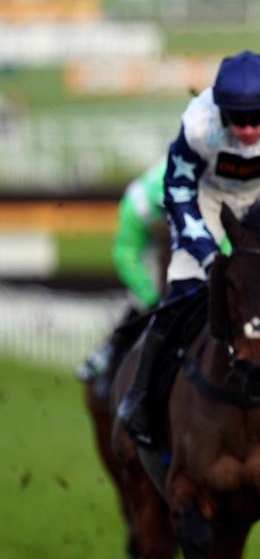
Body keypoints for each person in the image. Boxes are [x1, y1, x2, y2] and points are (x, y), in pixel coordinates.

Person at [116, 50, 260, 447]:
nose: (248, 130)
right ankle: (140, 397)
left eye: (258, 119)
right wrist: (207, 256)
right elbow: (178, 190)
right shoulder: (198, 124)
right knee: (180, 293)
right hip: (208, 195)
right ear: (221, 112)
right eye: (238, 119)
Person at [78, 158, 171, 397]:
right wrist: (151, 298)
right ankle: (109, 355)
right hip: (149, 249)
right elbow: (126, 256)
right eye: (164, 214)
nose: (169, 221)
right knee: (142, 300)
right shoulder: (137, 205)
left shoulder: (203, 194)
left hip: (193, 239)